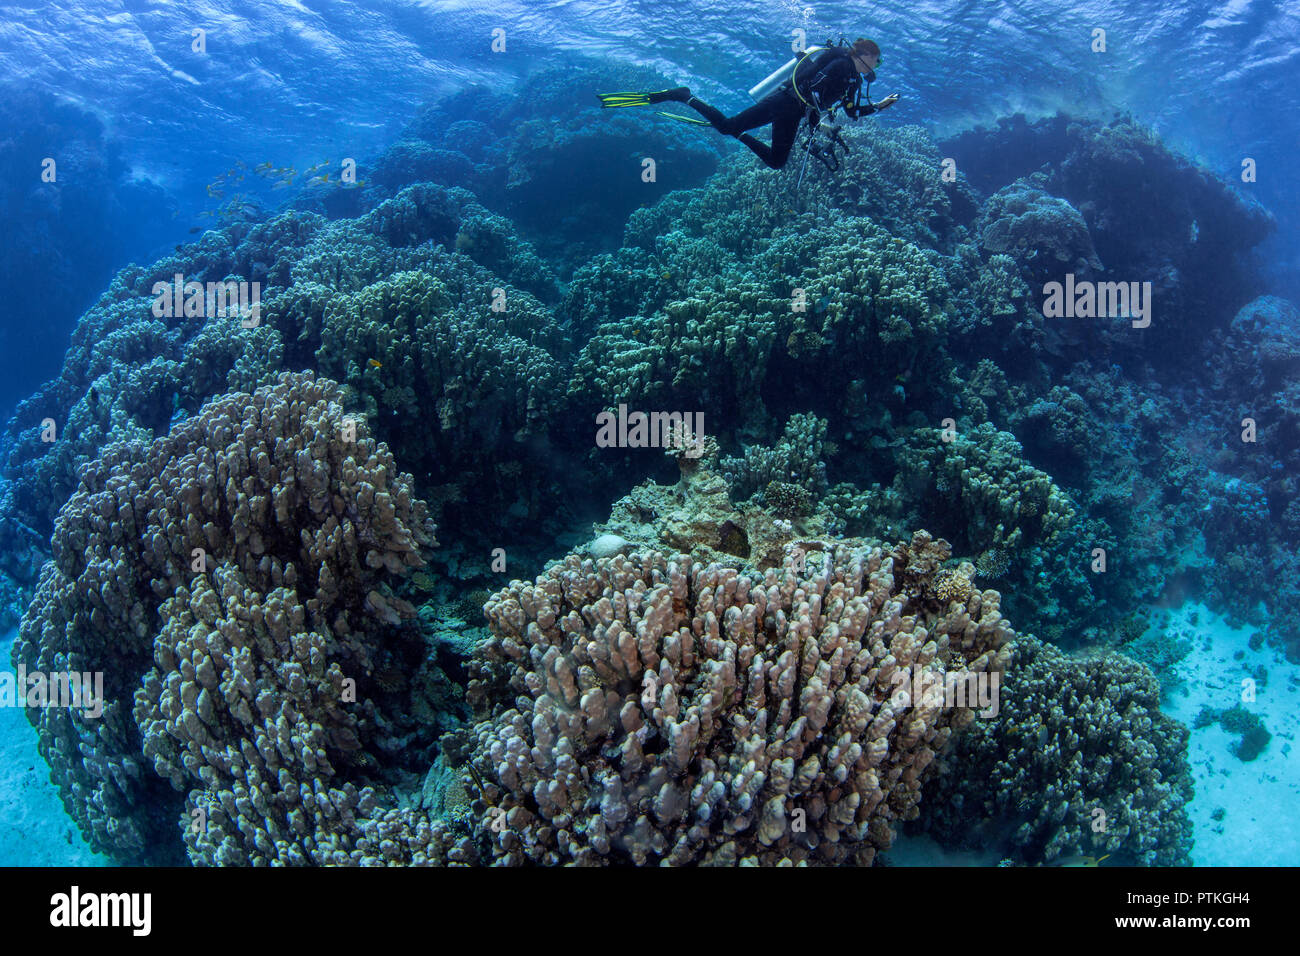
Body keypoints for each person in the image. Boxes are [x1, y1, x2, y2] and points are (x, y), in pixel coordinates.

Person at [598, 38, 899, 169]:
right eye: (877, 60)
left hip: (788, 106)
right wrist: (817, 117)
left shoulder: (851, 78)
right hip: (786, 105)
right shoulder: (842, 67)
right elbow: (815, 95)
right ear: (865, 55)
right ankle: (684, 96)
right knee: (750, 142)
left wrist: (880, 106)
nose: (877, 65)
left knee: (753, 144)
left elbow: (851, 112)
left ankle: (696, 104)